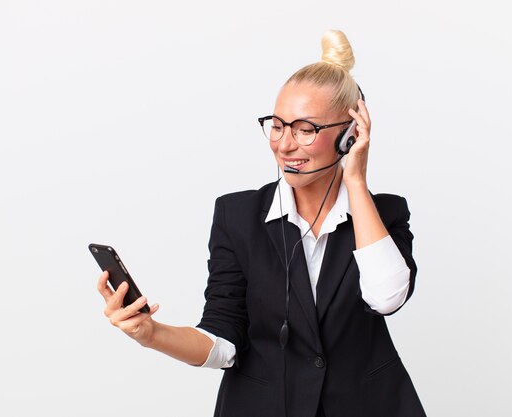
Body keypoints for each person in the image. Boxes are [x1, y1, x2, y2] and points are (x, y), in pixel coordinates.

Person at [97, 29, 426, 417]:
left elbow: (386, 298)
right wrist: (152, 334)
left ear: (350, 135)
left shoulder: (384, 214)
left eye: (306, 129)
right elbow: (224, 339)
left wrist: (356, 180)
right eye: (277, 125)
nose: (285, 144)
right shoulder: (237, 217)